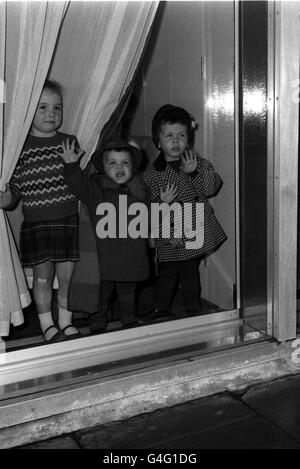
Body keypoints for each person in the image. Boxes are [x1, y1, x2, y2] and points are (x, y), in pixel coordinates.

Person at [0, 80, 84, 342]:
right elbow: (14, 189)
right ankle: (47, 324)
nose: (51, 114)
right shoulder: (20, 147)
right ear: (29, 111)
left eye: (56, 108)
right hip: (37, 224)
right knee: (42, 278)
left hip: (68, 220)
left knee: (68, 277)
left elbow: (80, 184)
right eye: (43, 107)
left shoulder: (69, 142)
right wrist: (7, 197)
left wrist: (73, 166)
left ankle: (66, 321)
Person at [143, 104, 227, 320]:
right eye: (168, 135)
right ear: (158, 142)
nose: (175, 140)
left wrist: (195, 172)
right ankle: (162, 310)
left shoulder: (196, 163)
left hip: (193, 226)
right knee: (167, 274)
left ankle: (193, 310)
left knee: (190, 273)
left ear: (188, 139)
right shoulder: (153, 174)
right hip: (168, 231)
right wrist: (168, 231)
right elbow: (149, 209)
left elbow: (212, 187)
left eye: (181, 135)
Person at [61, 138, 149, 334]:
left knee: (128, 294)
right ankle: (98, 325)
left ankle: (129, 321)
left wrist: (165, 204)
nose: (120, 167)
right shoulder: (96, 188)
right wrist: (71, 166)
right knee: (101, 296)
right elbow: (78, 187)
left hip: (130, 257)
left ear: (133, 166)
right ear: (103, 167)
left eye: (125, 162)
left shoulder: (139, 190)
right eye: (113, 163)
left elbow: (149, 216)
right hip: (104, 259)